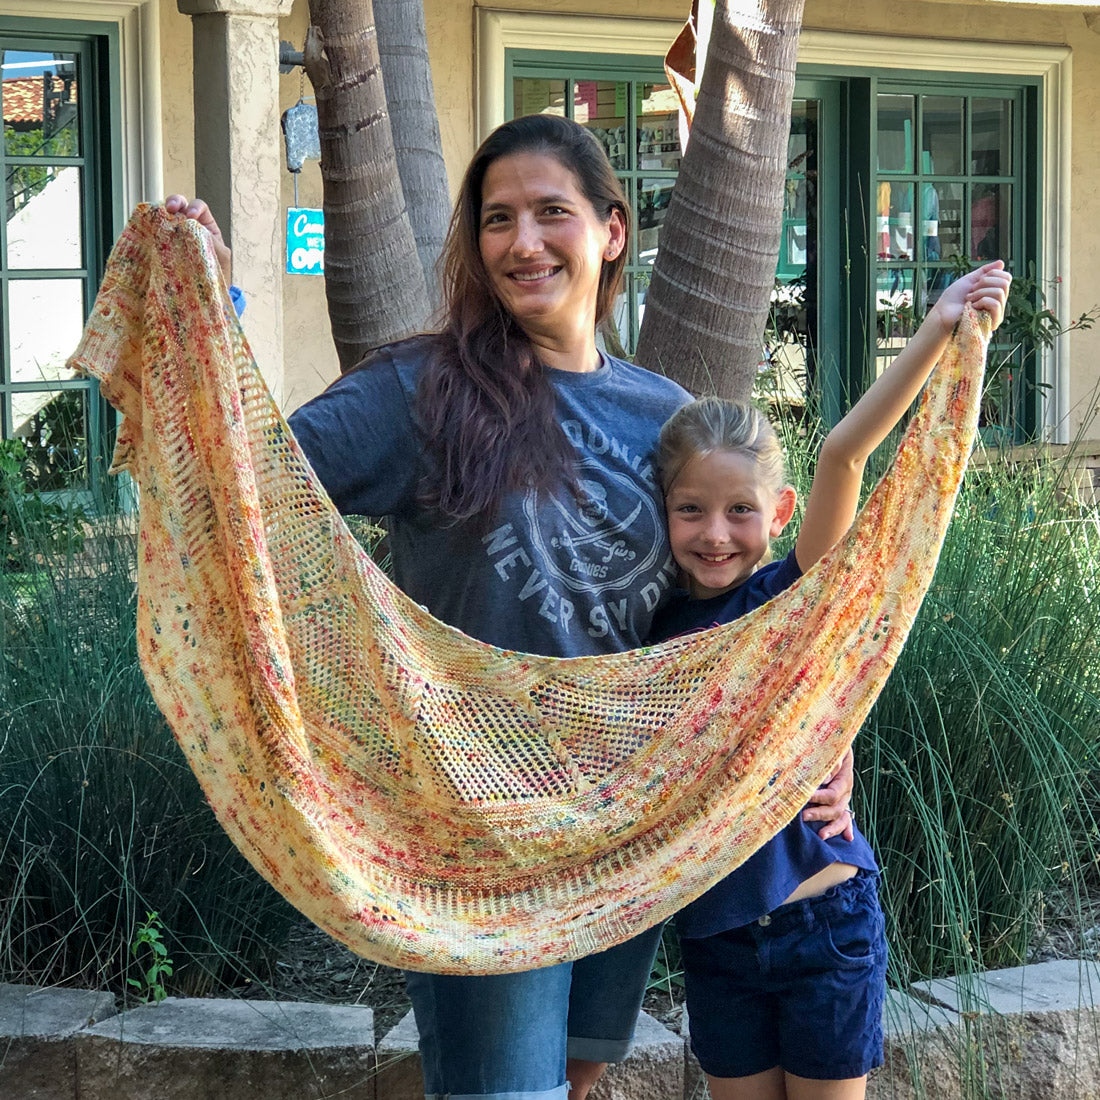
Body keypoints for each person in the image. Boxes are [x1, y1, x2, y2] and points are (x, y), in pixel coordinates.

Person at [164, 112, 854, 1100]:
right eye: (496, 219)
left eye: (549, 213)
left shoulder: (660, 412)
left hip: (624, 823)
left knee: (573, 1076)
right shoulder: (422, 389)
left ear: (610, 230)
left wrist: (824, 748)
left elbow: (736, 614)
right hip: (478, 834)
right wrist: (213, 313)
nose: (521, 241)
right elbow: (245, 482)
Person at [650, 260, 1011, 1100]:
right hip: (717, 935)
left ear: (777, 514)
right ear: (662, 510)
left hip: (826, 921)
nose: (714, 534)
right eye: (691, 509)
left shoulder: (803, 591)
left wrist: (940, 327)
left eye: (740, 510)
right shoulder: (656, 638)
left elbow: (846, 455)